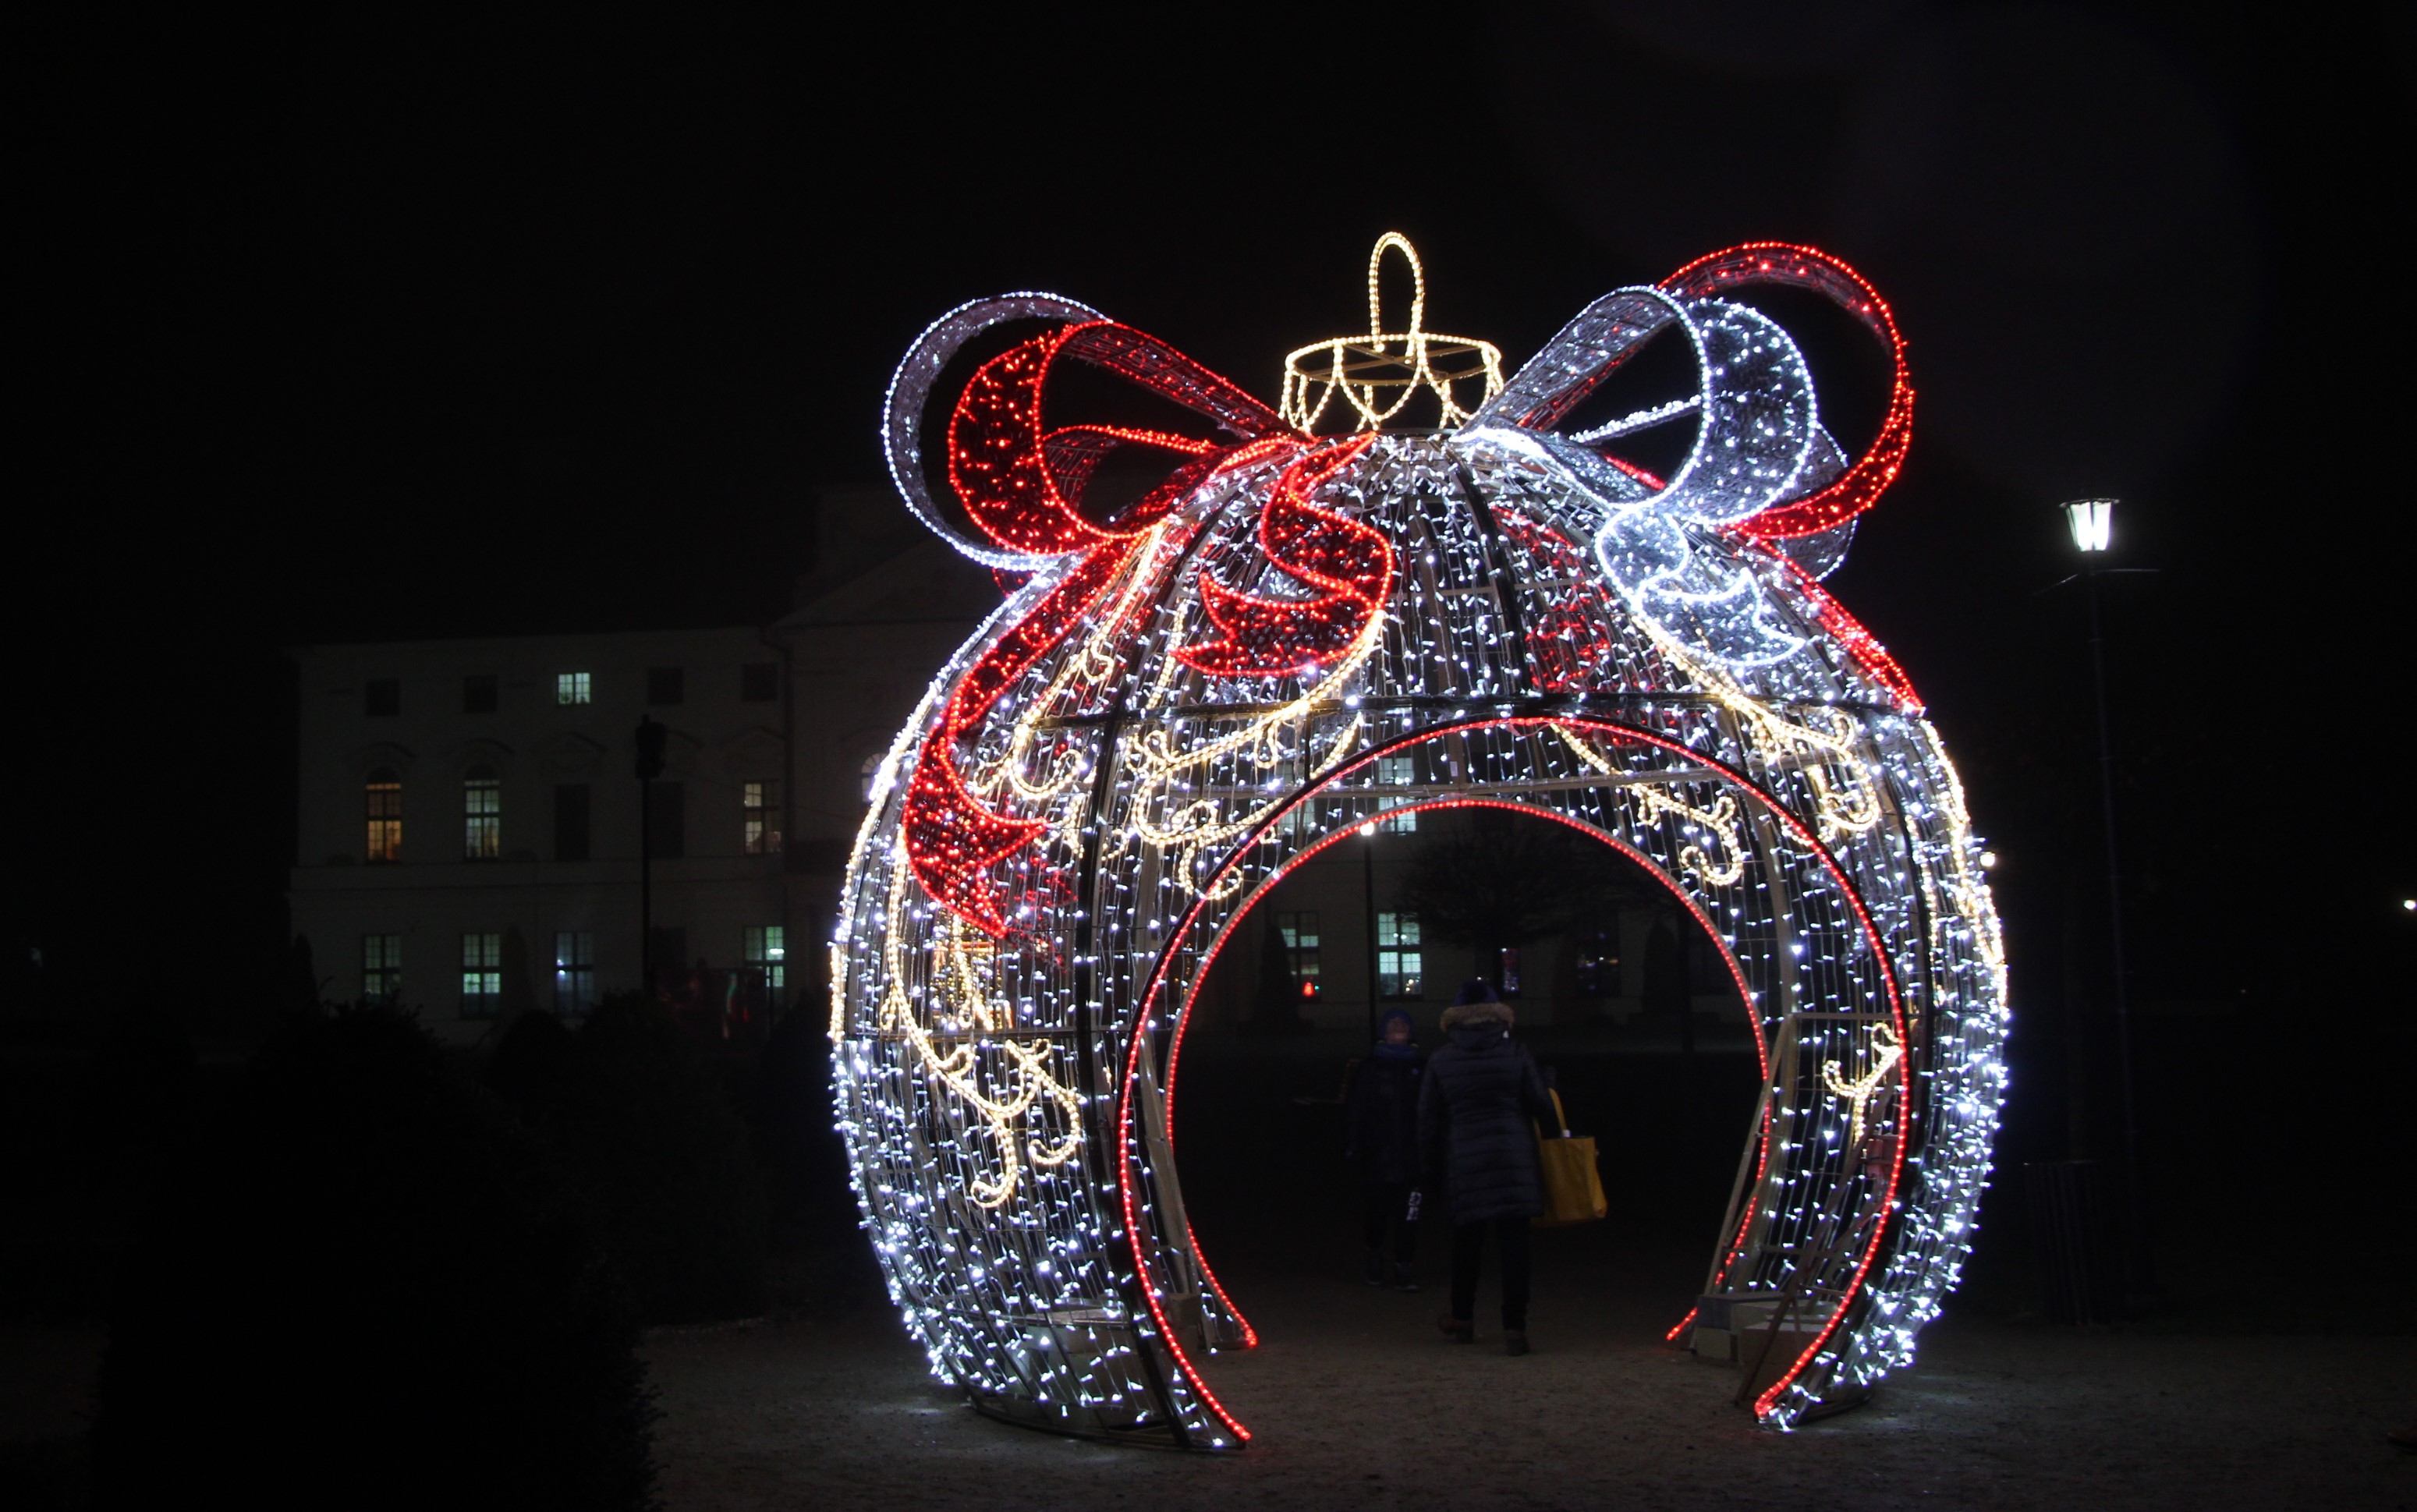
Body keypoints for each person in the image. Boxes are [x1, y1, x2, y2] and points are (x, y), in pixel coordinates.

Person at [1419, 977, 1555, 1355]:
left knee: (1466, 1245)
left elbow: (1428, 1118)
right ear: (1499, 1017)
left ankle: (1462, 1318)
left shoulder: (1442, 1059)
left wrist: (1428, 1165)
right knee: (1515, 1249)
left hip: (1466, 1161)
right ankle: (1515, 1326)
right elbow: (1541, 1104)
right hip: (1513, 1161)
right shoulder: (1516, 1054)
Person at [1345, 1008, 1424, 1290]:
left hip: (1411, 1156)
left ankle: (1404, 1265)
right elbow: (1357, 1110)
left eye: (1404, 1022)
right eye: (1394, 1023)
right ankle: (1375, 1256)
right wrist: (1355, 1145)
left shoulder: (1421, 1068)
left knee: (1409, 1215)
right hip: (1377, 1155)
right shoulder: (1371, 1068)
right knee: (1377, 1212)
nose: (1399, 1027)